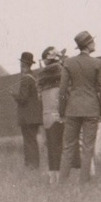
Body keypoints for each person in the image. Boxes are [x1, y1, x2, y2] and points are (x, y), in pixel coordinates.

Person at [58, 31, 101, 184]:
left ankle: (62, 182)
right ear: (87, 44)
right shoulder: (98, 64)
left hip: (72, 109)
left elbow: (62, 90)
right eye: (92, 41)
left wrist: (62, 111)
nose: (94, 44)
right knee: (87, 148)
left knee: (67, 147)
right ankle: (84, 182)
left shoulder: (68, 63)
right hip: (91, 109)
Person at [37, 47, 68, 183]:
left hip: (47, 115)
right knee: (62, 146)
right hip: (60, 115)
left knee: (51, 146)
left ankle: (52, 177)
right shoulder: (62, 76)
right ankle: (61, 176)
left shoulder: (42, 79)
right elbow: (64, 96)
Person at [12, 51, 43, 171]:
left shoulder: (25, 79)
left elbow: (23, 98)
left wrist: (14, 95)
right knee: (32, 140)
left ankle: (31, 165)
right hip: (34, 116)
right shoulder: (33, 77)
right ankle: (34, 165)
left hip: (27, 117)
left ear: (23, 64)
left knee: (28, 141)